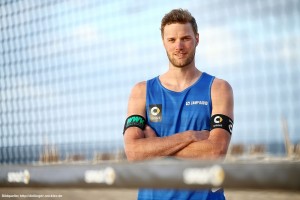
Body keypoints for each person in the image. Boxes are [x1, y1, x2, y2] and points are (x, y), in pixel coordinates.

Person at [123, 8, 234, 200]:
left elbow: (215, 151)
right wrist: (189, 136)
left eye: (186, 38)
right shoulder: (141, 91)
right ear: (163, 43)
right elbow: (133, 153)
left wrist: (154, 146)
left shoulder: (218, 89)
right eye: (172, 40)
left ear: (197, 39)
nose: (179, 46)